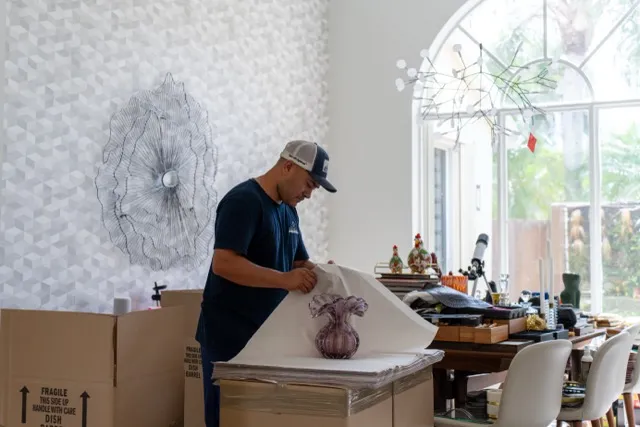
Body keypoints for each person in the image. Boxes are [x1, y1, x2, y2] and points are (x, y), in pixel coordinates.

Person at [195, 140, 337, 427]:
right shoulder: (243, 202)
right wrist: (284, 280)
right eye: (309, 184)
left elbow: (298, 262)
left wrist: (328, 274)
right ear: (288, 167)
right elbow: (224, 263)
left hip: (266, 337)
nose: (309, 194)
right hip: (230, 340)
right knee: (227, 419)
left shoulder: (288, 210)